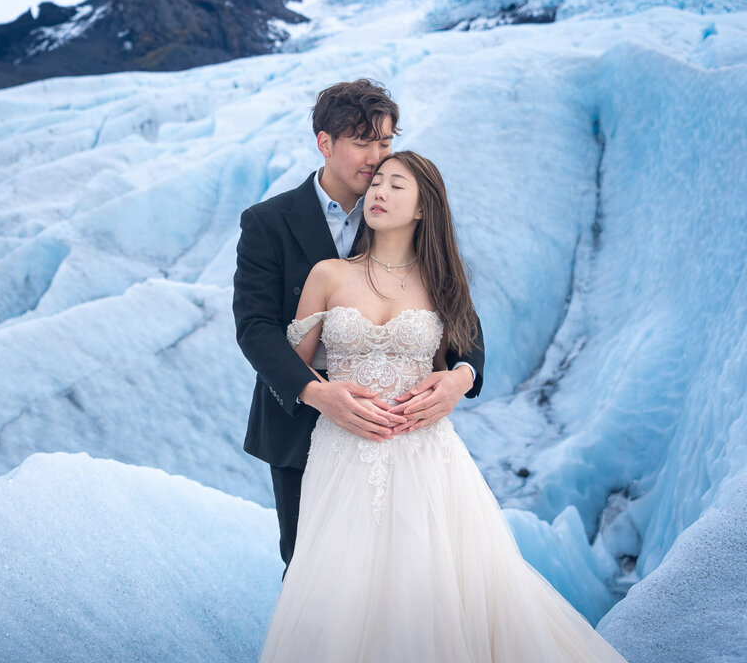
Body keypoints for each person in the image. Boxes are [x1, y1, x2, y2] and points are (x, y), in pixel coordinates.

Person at [257, 151, 628, 662]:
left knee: (429, 591)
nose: (379, 192)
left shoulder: (443, 282)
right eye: (377, 183)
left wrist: (457, 378)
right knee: (334, 591)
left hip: (425, 453)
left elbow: (459, 352)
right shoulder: (327, 274)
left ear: (423, 209)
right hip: (343, 449)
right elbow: (291, 363)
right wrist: (325, 395)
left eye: (396, 186)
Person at [234, 79, 484, 569]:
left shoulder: (403, 210)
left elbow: (461, 320)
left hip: (402, 435)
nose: (375, 157)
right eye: (361, 141)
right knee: (313, 573)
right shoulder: (268, 221)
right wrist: (315, 391)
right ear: (325, 143)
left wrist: (462, 377)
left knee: (415, 573)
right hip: (301, 425)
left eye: (385, 142)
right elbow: (255, 327)